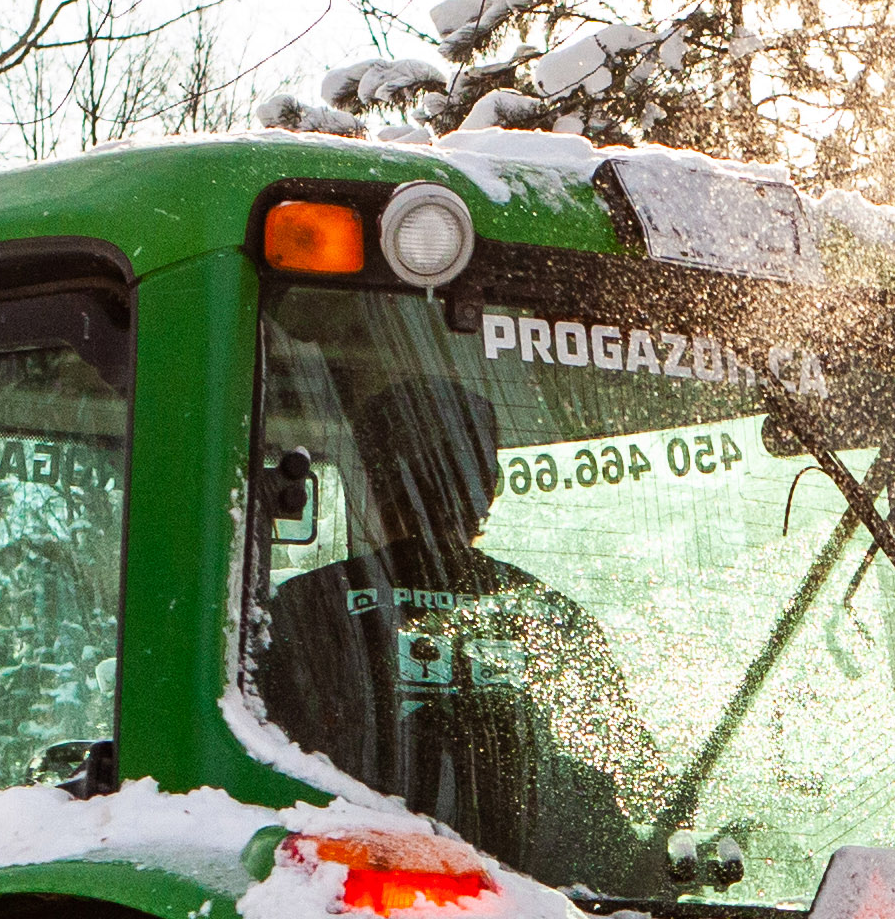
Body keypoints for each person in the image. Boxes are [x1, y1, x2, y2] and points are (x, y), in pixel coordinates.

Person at [253, 368, 667, 887]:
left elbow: (259, 790)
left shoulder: (303, 609)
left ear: (375, 480)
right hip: (539, 917)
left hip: (351, 901)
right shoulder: (552, 617)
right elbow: (617, 803)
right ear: (489, 487)